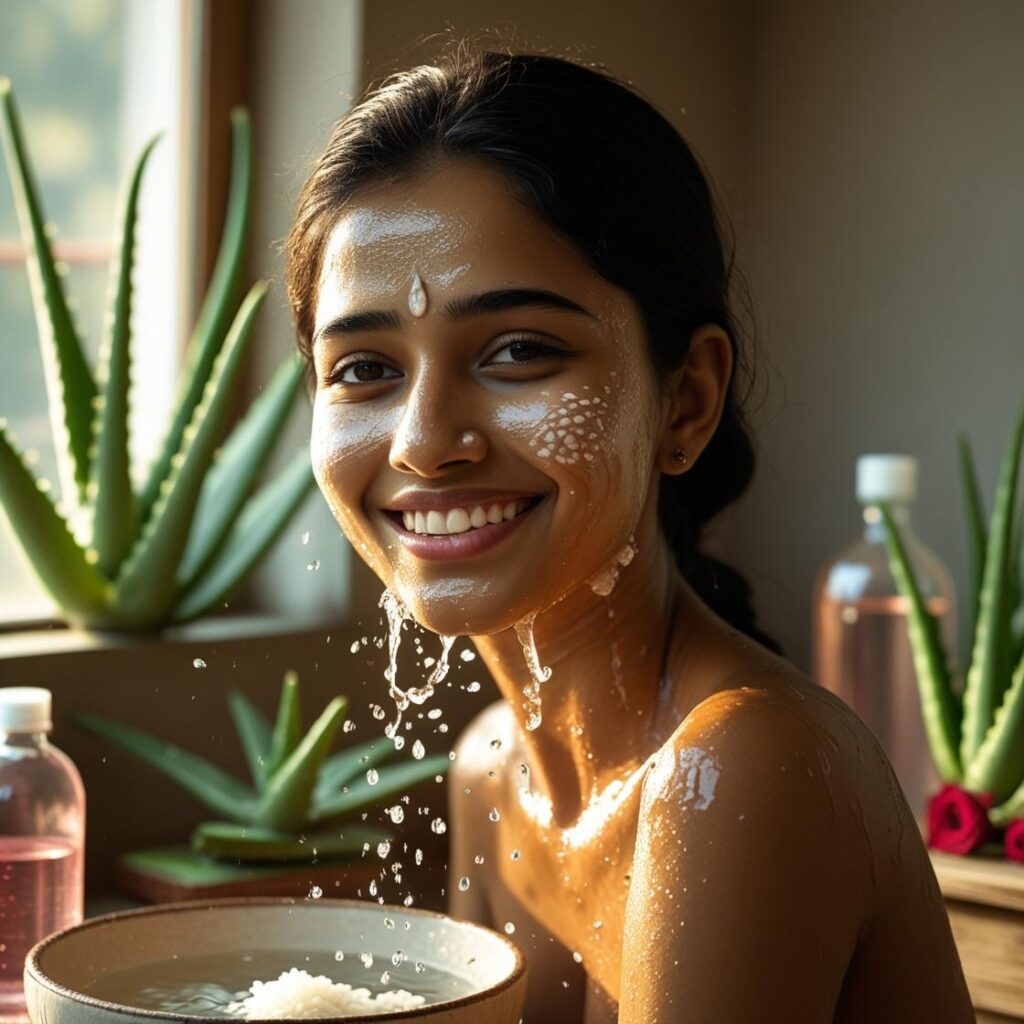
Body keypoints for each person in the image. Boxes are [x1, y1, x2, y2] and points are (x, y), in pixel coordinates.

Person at [286, 46, 972, 1024]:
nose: (425, 443)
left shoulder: (737, 767)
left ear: (685, 401)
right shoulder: (491, 769)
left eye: (518, 350)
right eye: (362, 369)